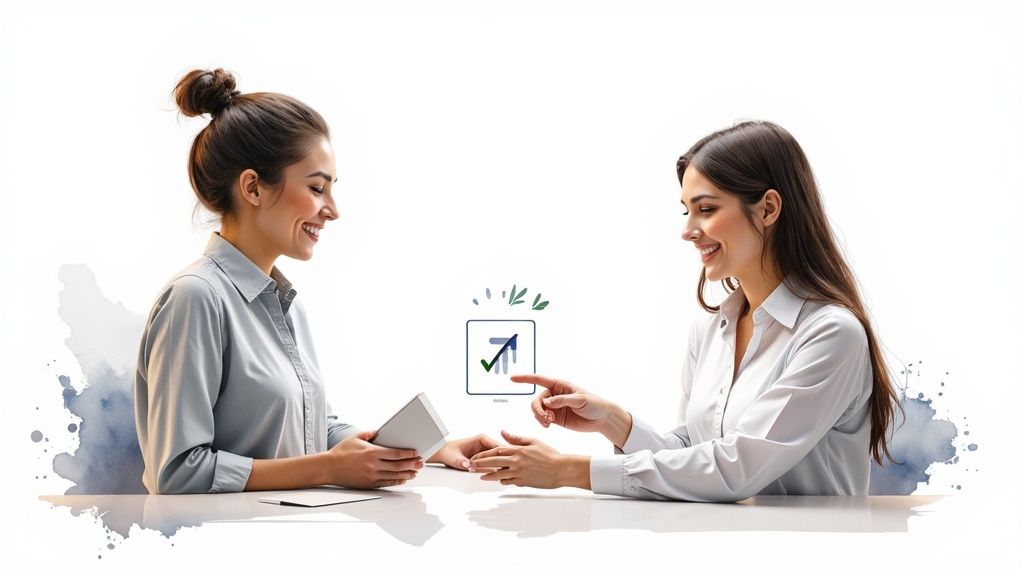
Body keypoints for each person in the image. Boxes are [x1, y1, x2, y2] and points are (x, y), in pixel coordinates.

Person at [471, 121, 900, 501]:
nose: (687, 231)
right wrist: (613, 421)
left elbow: (737, 470)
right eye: (686, 210)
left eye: (706, 209)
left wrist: (570, 471)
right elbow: (697, 456)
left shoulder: (830, 335)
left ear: (768, 208)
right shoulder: (714, 328)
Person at [134, 68, 497, 494]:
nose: (333, 209)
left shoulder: (285, 304)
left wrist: (428, 451)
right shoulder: (195, 298)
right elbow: (177, 473)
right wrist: (326, 469)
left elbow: (314, 427)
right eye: (316, 188)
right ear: (252, 187)